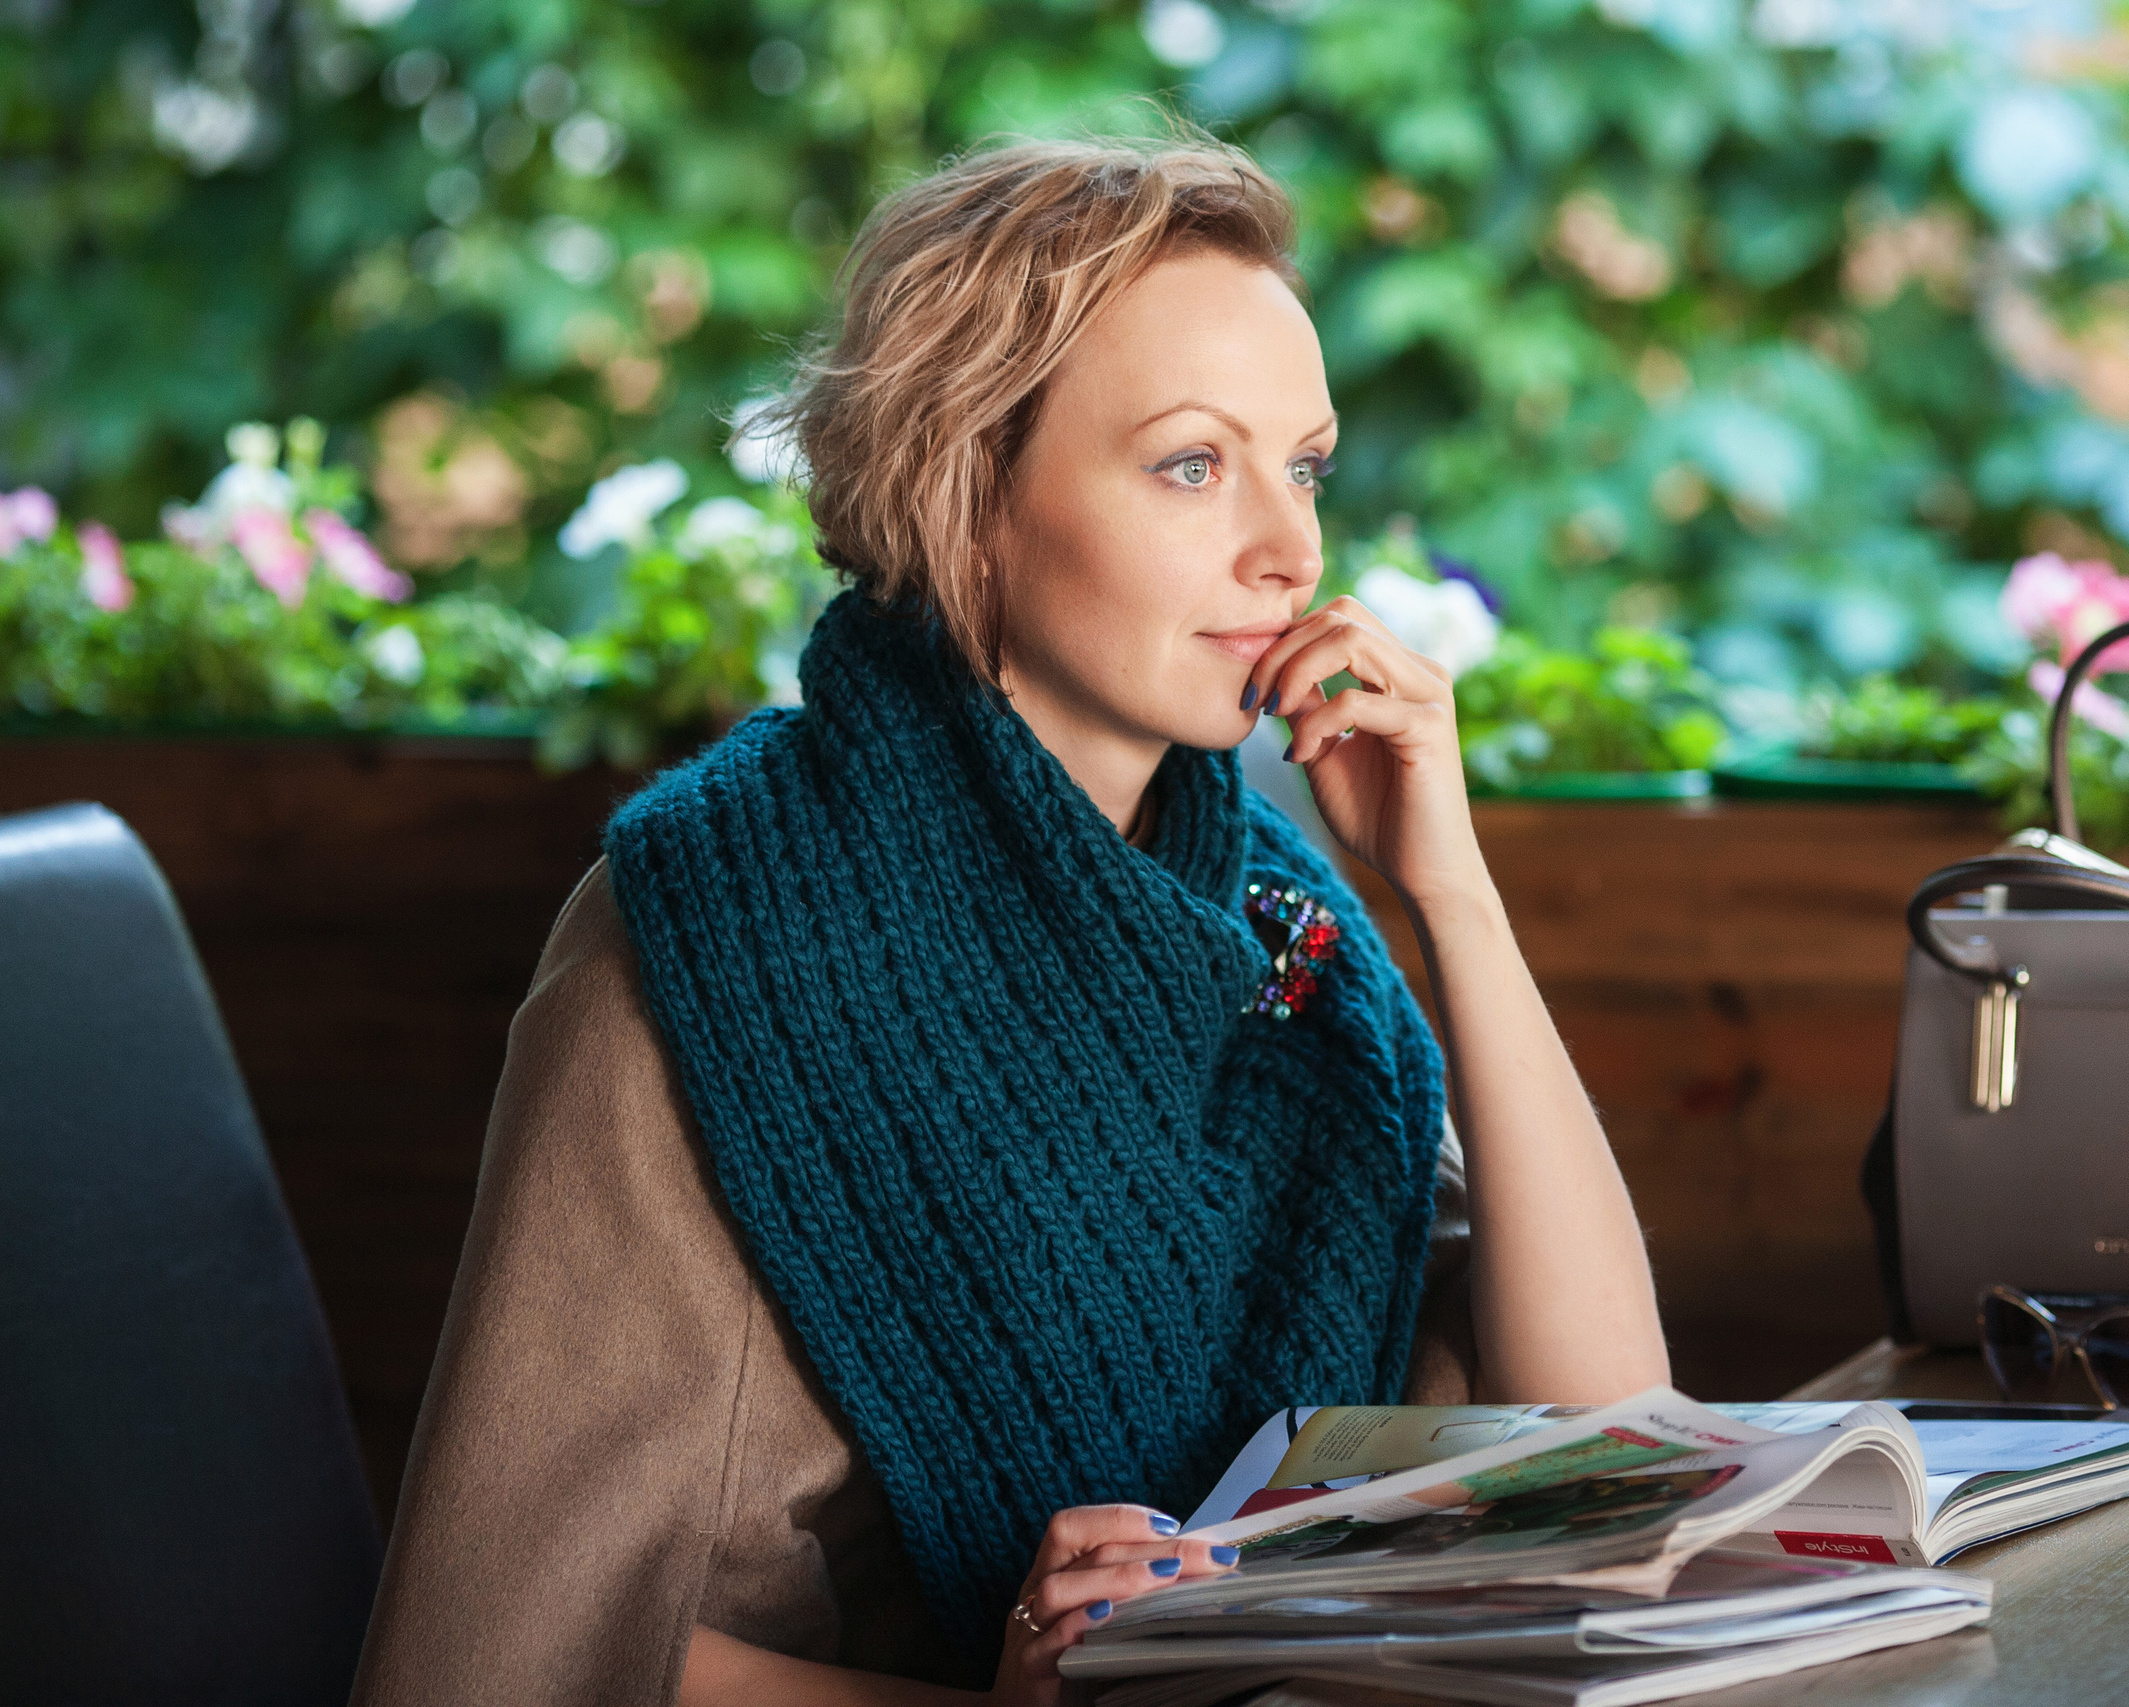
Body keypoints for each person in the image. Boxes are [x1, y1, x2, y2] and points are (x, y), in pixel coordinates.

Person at [350, 131, 1669, 1707]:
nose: (1292, 549)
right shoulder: (718, 940)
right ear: (967, 493)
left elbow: (1605, 1448)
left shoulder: (1281, 922)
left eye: (1302, 464)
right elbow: (517, 1652)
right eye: (1193, 465)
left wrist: (1452, 899)